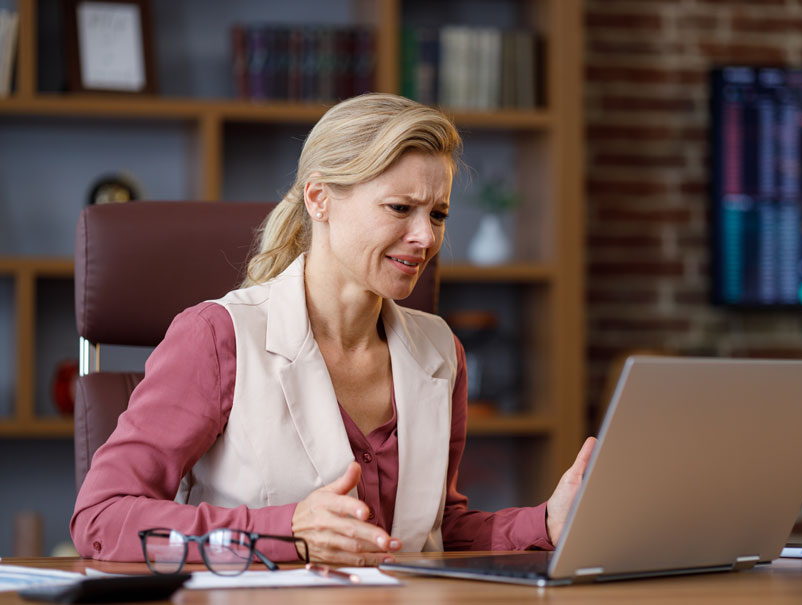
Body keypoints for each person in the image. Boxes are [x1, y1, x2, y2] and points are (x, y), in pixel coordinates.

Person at [71, 93, 596, 566]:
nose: (424, 237)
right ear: (319, 199)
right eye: (399, 208)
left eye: (437, 214)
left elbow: (432, 534)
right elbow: (101, 519)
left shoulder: (441, 352)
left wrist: (547, 522)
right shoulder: (218, 337)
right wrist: (287, 534)